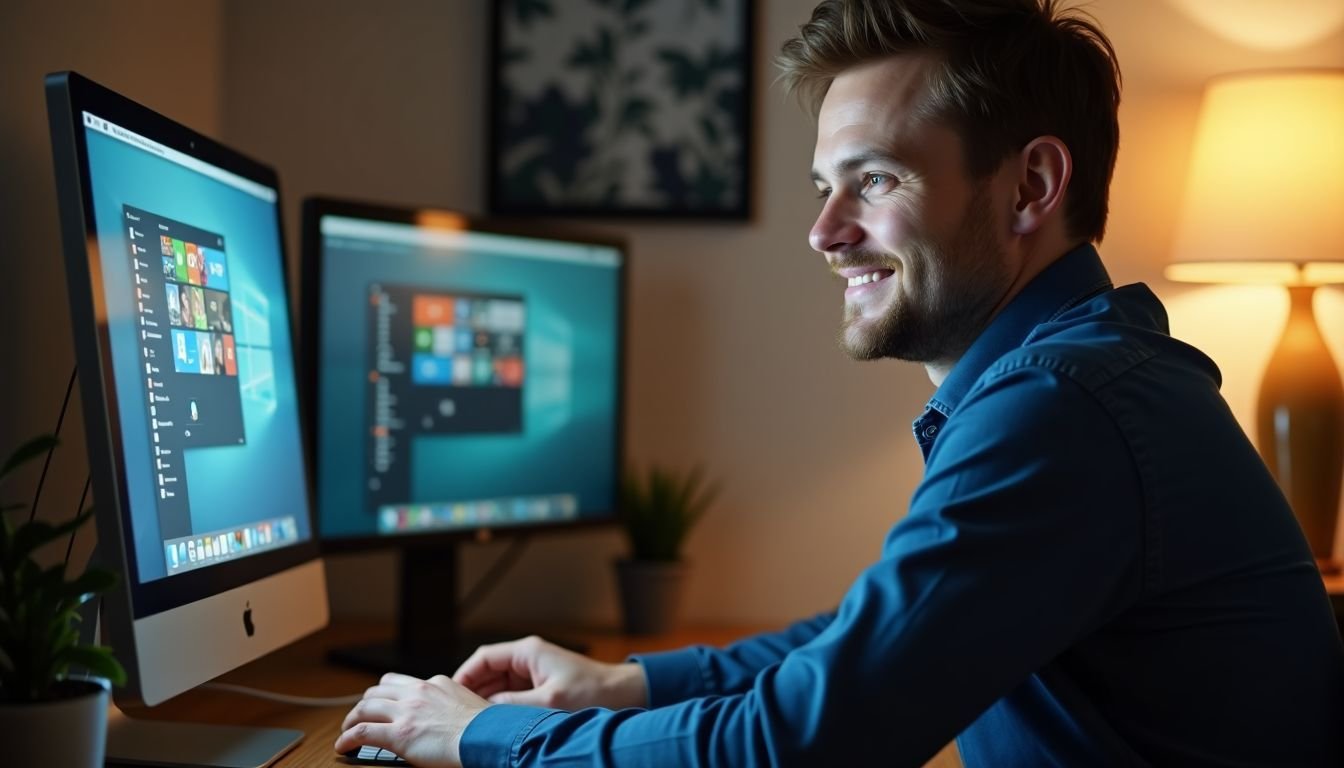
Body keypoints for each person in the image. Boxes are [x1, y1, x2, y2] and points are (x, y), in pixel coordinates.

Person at [337, 1, 1344, 765]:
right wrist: (627, 682)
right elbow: (878, 635)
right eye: (826, 187)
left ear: (1033, 185)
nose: (824, 232)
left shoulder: (1061, 407)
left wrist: (484, 737)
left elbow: (808, 740)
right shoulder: (1082, 371)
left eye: (877, 179)